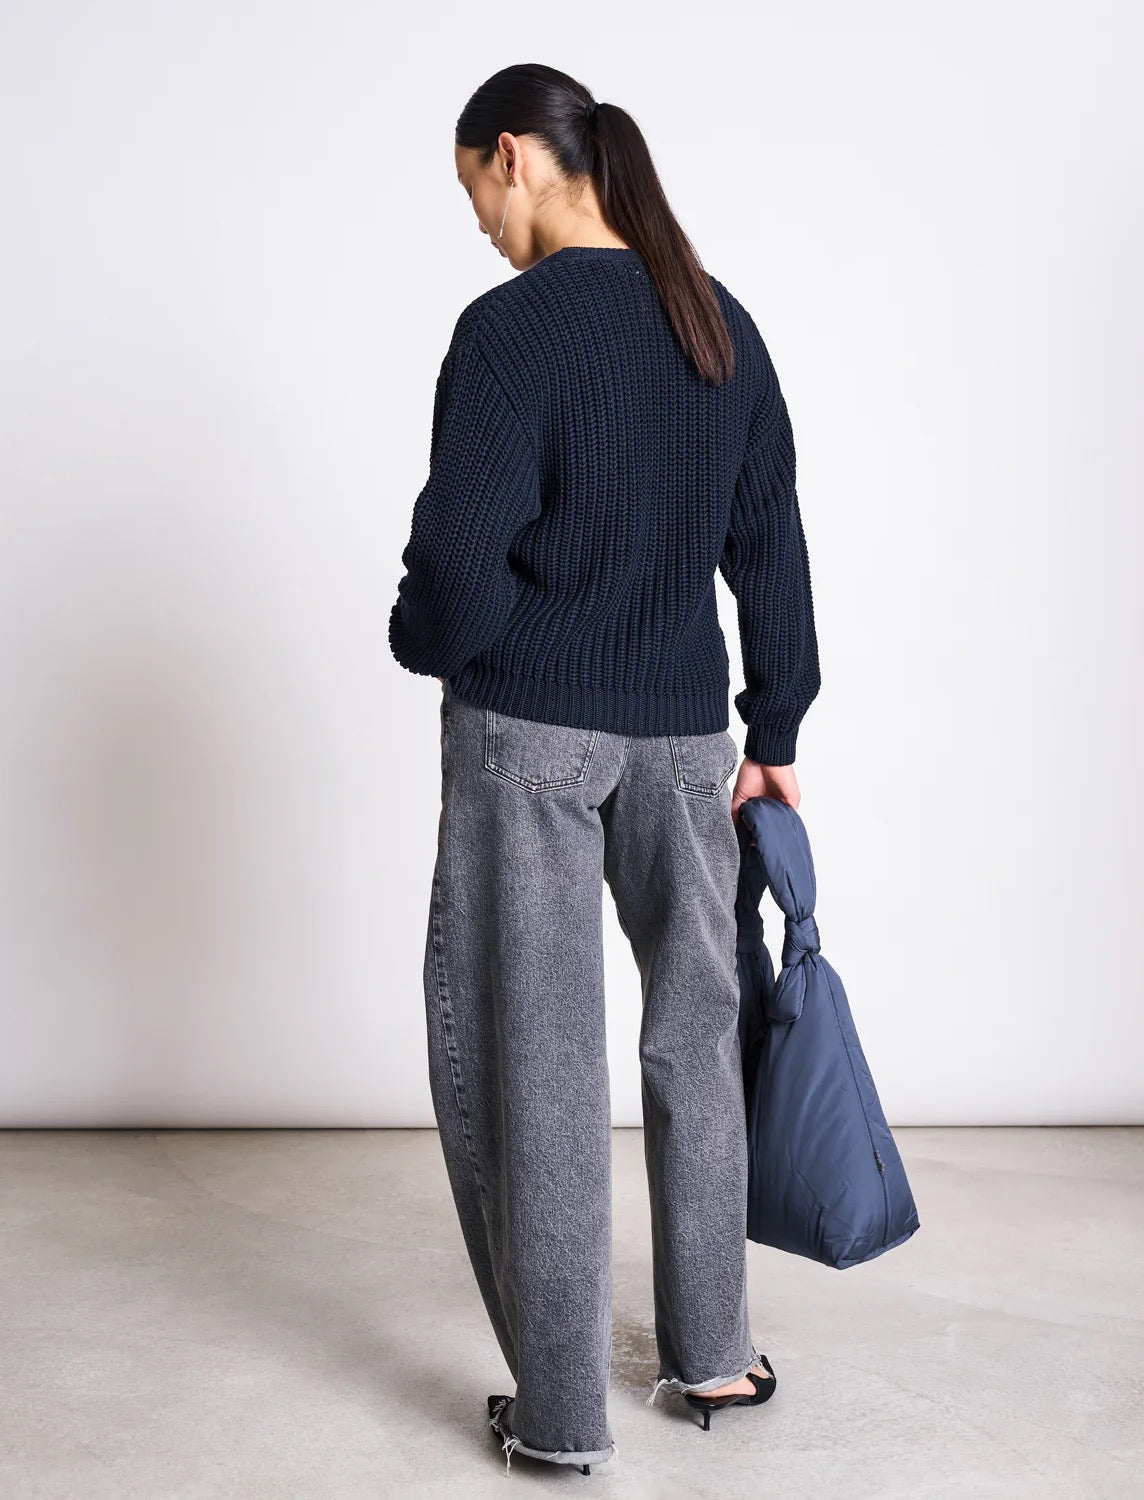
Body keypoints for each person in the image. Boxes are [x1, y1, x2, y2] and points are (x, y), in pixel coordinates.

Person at [387, 62, 820, 1475]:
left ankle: (565, 1418)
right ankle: (716, 1355)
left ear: (513, 156)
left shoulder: (512, 330)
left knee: (541, 1062)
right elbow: (773, 549)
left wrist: (422, 639)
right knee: (697, 1034)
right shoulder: (717, 321)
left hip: (529, 737)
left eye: (475, 189)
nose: (479, 222)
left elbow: (460, 560)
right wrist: (775, 733)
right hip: (689, 741)